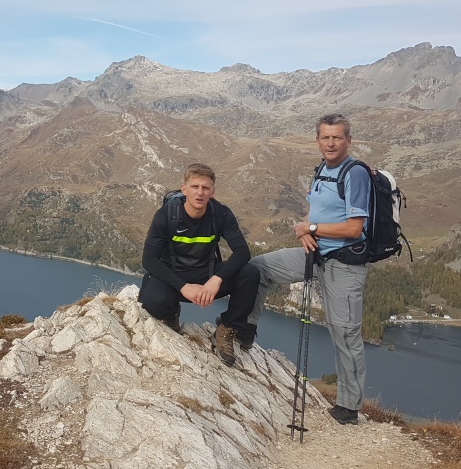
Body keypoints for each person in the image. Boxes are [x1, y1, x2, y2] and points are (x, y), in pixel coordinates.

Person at [249, 113, 371, 425]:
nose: (331, 143)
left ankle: (348, 407)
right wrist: (304, 230)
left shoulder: (355, 173)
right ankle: (245, 329)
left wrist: (311, 228)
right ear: (317, 141)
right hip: (315, 254)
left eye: (337, 137)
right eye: (325, 137)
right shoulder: (321, 169)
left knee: (345, 333)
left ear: (348, 140)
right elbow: (316, 213)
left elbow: (354, 228)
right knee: (257, 269)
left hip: (344, 264)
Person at [138, 163, 260, 367]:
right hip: (174, 276)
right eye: (195, 187)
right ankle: (170, 313)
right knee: (153, 302)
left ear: (213, 192)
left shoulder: (221, 214)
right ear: (184, 189)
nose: (200, 193)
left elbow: (242, 252)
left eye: (205, 188)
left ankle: (226, 329)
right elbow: (149, 259)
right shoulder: (167, 215)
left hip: (206, 274)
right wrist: (183, 287)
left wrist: (216, 280)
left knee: (250, 273)